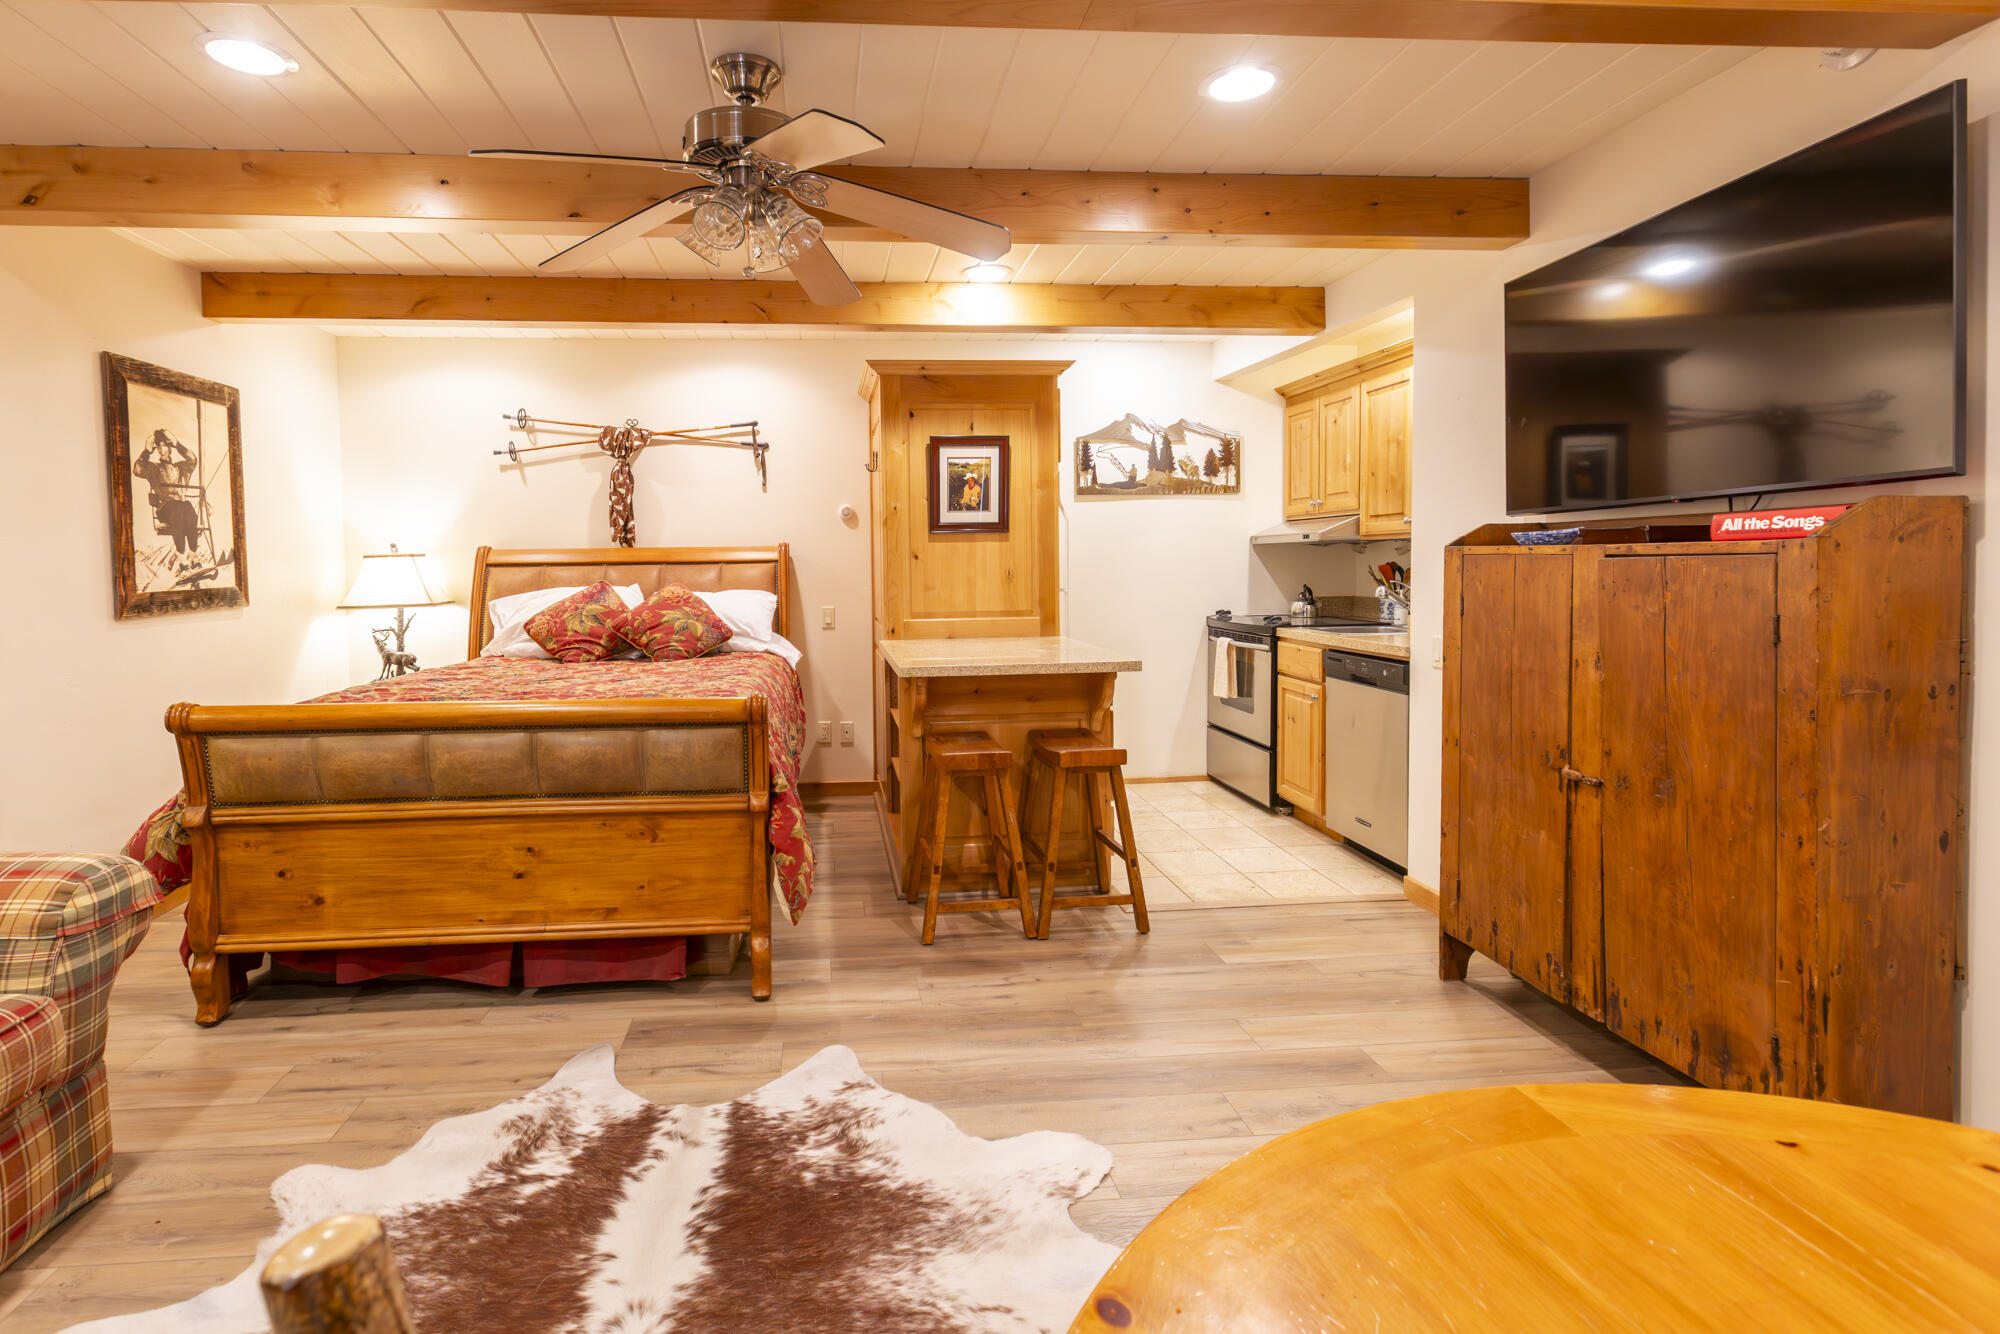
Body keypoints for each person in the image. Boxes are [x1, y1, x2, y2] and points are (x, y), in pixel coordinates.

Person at [133, 430, 202, 562]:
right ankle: (181, 557)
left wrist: (177, 444)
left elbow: (192, 460)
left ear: (169, 448)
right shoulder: (153, 468)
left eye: (163, 445)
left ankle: (194, 554)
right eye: (157, 446)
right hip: (165, 508)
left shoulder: (180, 468)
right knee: (178, 510)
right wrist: (147, 451)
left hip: (181, 507)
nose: (160, 448)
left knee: (190, 512)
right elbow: (138, 470)